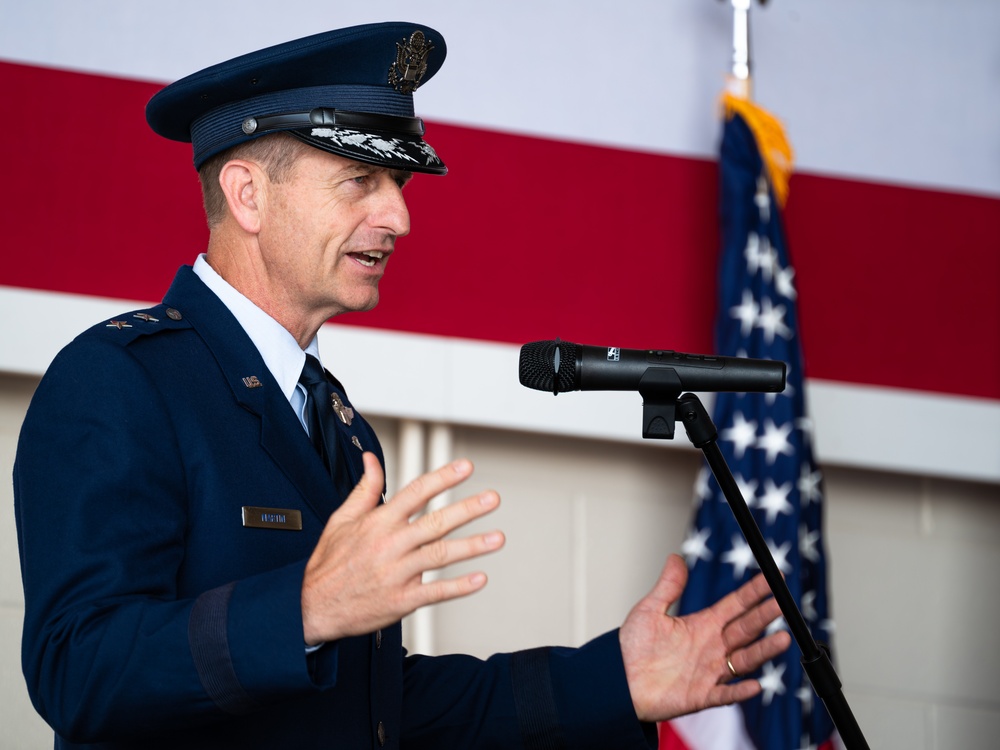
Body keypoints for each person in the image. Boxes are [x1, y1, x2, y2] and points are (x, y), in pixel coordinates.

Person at [14, 22, 791, 750]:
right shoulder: (121, 380)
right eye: (360, 180)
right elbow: (77, 667)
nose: (398, 217)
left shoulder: (338, 426)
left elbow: (378, 712)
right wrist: (303, 609)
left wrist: (612, 682)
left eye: (399, 184)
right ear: (248, 195)